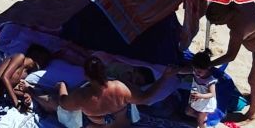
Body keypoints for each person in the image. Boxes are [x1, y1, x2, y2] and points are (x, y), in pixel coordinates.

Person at [34, 55, 173, 128]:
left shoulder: (82, 96)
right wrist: (165, 77)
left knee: (54, 103)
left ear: (87, 76)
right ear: (104, 71)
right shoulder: (120, 87)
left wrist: (61, 87)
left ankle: (31, 92)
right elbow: (145, 97)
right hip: (123, 125)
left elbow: (63, 103)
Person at [205, 3, 255, 121]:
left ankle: (251, 115)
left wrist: (209, 64)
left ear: (225, 15)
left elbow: (230, 56)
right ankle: (253, 96)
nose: (215, 24)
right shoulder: (239, 2)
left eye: (216, 20)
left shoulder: (237, 29)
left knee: (254, 80)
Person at [184, 51, 218, 128]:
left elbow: (212, 94)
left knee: (200, 122)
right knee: (188, 112)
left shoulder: (210, 80)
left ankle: (202, 121)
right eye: (194, 70)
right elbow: (184, 71)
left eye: (199, 71)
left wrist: (200, 95)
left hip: (206, 102)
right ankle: (202, 117)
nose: (196, 73)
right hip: (197, 98)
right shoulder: (196, 73)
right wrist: (176, 71)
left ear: (208, 68)